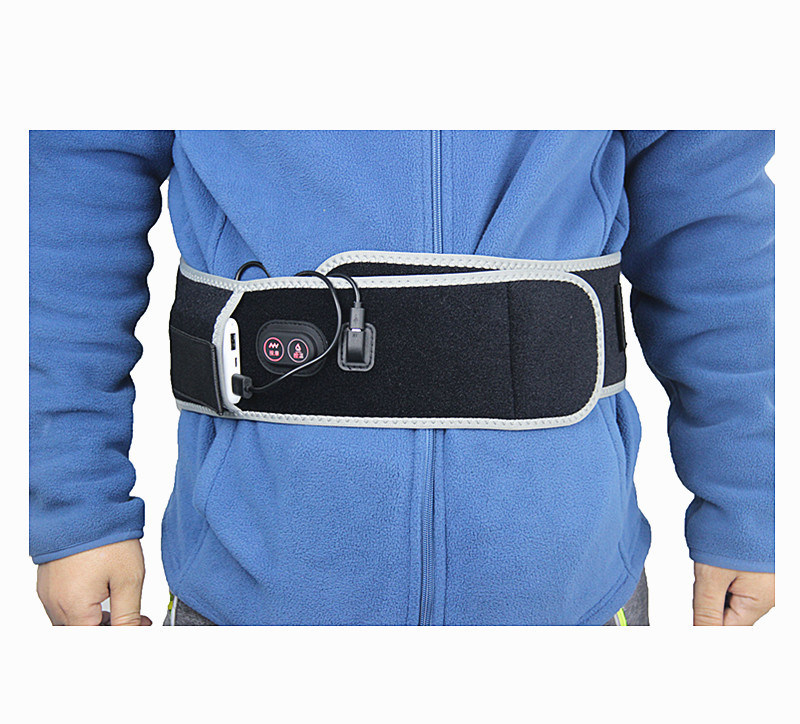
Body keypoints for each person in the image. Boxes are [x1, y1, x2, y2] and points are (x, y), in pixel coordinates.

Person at [29, 130, 775, 626]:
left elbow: (710, 216)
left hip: (567, 592)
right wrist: (78, 506)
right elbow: (76, 190)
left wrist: (748, 505)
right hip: (251, 589)